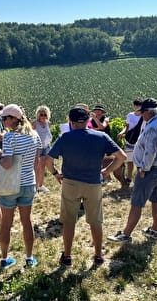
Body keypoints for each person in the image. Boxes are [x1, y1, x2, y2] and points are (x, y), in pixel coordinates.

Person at [46, 107, 126, 267]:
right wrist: (107, 171)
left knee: (69, 221)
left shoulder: (65, 137)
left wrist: (56, 173)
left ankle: (67, 256)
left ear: (71, 121)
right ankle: (98, 255)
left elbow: (48, 160)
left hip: (70, 183)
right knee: (96, 221)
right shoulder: (101, 136)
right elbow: (121, 157)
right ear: (88, 120)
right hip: (93, 183)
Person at [108, 98, 157, 243]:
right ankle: (155, 230)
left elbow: (150, 151)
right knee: (156, 199)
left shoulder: (153, 128)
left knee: (137, 202)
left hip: (150, 170)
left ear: (149, 112)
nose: (141, 115)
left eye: (142, 112)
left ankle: (126, 234)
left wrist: (143, 169)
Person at [0, 104, 42, 269]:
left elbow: (7, 164)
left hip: (11, 185)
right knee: (27, 221)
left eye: (5, 118)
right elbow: (36, 162)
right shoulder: (35, 135)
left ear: (14, 119)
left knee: (6, 223)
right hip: (28, 182)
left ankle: (4, 258)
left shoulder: (9, 138)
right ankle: (29, 257)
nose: (3, 120)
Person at [117, 98, 143, 185]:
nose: (137, 108)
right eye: (136, 106)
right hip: (130, 140)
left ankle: (140, 179)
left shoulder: (144, 116)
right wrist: (122, 132)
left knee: (140, 161)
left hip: (140, 141)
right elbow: (127, 127)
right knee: (130, 161)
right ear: (134, 106)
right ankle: (129, 178)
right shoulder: (130, 115)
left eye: (139, 106)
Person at [32, 105, 53, 193]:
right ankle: (35, 187)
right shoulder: (34, 123)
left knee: (43, 167)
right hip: (38, 147)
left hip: (46, 146)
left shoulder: (48, 123)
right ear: (38, 115)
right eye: (41, 114)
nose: (43, 116)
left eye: (45, 114)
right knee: (36, 167)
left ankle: (40, 185)